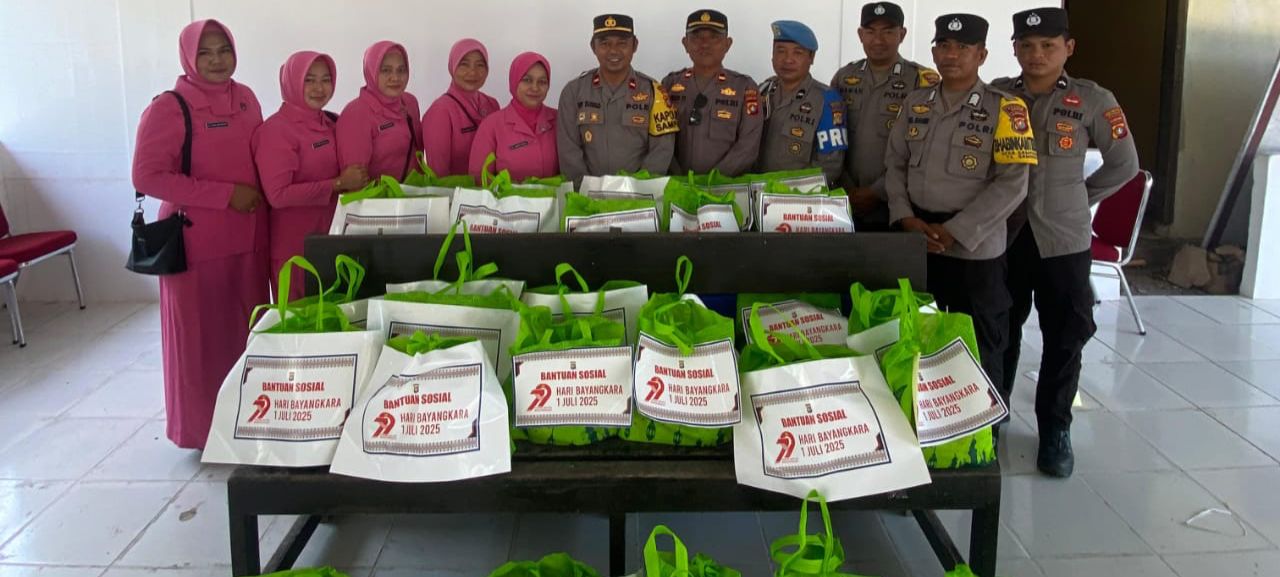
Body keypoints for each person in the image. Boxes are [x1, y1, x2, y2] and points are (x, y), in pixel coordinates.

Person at [993, 8, 1140, 478]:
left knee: (1065, 335)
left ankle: (1055, 428)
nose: (1036, 55)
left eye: (1048, 46)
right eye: (1027, 45)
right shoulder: (997, 95)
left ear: (1068, 48)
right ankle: (992, 415)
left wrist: (1079, 198)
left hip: (1063, 239)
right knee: (999, 329)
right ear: (1015, 48)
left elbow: (1125, 165)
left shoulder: (1093, 99)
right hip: (1006, 235)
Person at [884, 14, 1037, 398]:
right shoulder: (915, 103)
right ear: (934, 51)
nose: (951, 55)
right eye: (944, 46)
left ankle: (986, 425)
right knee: (919, 337)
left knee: (981, 342)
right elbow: (895, 164)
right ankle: (927, 418)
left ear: (981, 55)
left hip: (974, 247)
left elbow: (1013, 183)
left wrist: (957, 231)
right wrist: (904, 217)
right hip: (917, 239)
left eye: (962, 47)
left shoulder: (1008, 109)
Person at [131, 19, 267, 449]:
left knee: (246, 334)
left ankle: (247, 422)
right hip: (196, 245)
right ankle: (201, 432)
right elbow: (147, 176)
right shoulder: (169, 107)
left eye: (223, 50)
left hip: (249, 240)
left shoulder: (246, 99)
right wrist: (226, 195)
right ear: (188, 57)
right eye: (205, 53)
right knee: (198, 343)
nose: (216, 60)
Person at [253, 51, 368, 300]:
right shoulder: (276, 131)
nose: (319, 88)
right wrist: (338, 183)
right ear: (292, 81)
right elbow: (278, 195)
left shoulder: (332, 123)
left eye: (326, 79)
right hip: (295, 248)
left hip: (332, 239)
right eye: (309, 80)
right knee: (301, 317)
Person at [831, 2, 940, 230]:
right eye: (870, 32)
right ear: (860, 35)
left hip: (897, 206)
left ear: (902, 34)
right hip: (845, 200)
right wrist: (847, 187)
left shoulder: (921, 81)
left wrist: (876, 192)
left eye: (888, 32)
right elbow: (831, 137)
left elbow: (925, 149)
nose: (878, 40)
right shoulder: (844, 77)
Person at [557, 14, 678, 187]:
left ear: (634, 45)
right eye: (605, 43)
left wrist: (638, 190)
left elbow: (662, 150)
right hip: (586, 196)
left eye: (622, 43)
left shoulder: (654, 92)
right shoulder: (573, 92)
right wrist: (585, 191)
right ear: (593, 46)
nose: (613, 51)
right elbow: (569, 152)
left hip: (639, 197)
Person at [661, 9, 763, 177]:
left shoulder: (744, 87)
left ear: (727, 44)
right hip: (677, 183)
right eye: (696, 37)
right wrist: (678, 177)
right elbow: (660, 138)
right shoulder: (669, 85)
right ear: (685, 43)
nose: (705, 44)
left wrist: (714, 180)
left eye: (714, 37)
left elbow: (748, 146)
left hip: (727, 186)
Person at [757, 20, 847, 184]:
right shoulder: (762, 91)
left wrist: (786, 192)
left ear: (811, 58)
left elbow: (830, 166)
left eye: (797, 53)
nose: (788, 60)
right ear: (772, 55)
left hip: (798, 196)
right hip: (754, 190)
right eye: (781, 51)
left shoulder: (827, 100)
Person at [336, 41, 422, 182]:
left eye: (401, 70)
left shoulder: (410, 102)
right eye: (386, 70)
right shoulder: (356, 114)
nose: (395, 78)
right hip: (378, 195)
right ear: (372, 71)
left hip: (414, 193)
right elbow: (356, 181)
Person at [468, 52, 558, 181]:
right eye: (527, 80)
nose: (535, 88)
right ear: (514, 81)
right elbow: (479, 180)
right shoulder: (491, 125)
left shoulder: (560, 120)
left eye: (542, 82)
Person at [424, 39, 502, 176]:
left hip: (489, 188)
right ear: (452, 67)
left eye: (480, 65)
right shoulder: (440, 111)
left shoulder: (492, 105)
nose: (472, 72)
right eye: (464, 64)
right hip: (455, 189)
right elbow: (438, 174)